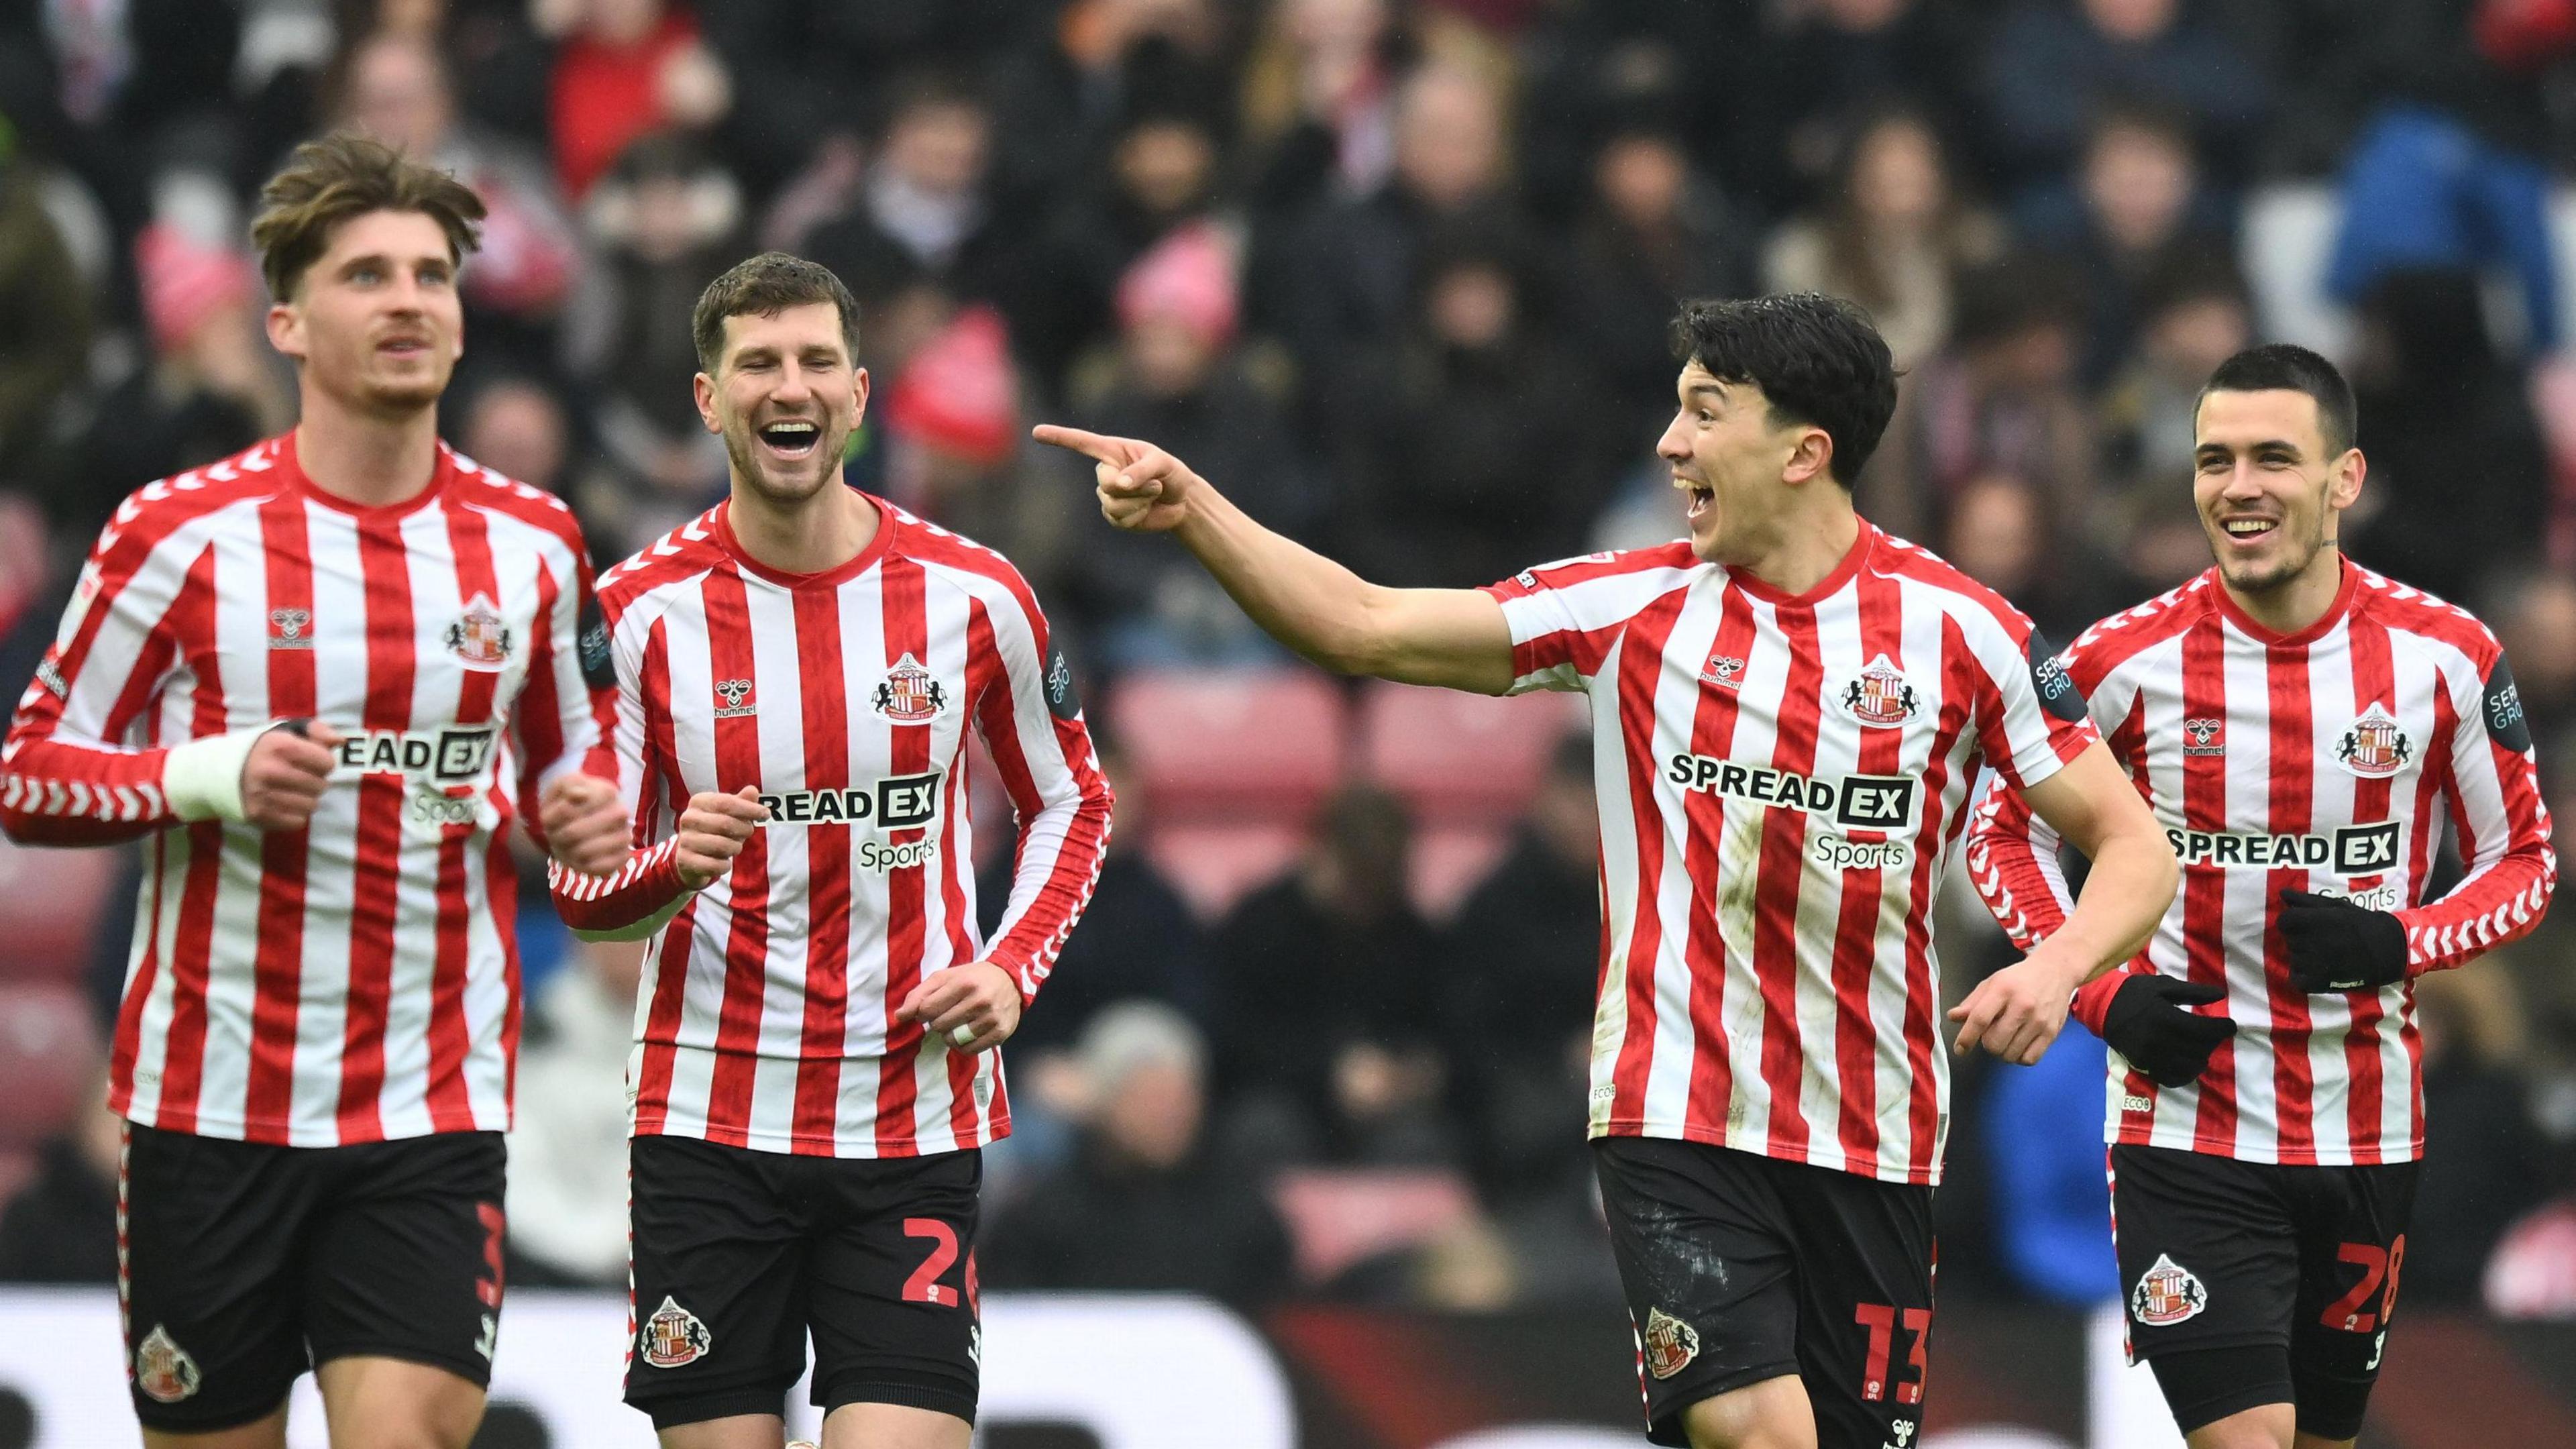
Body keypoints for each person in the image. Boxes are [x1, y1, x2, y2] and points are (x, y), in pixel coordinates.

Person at [1036, 291, 2179, 1449]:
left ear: (1804, 453)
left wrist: (2059, 967)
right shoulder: (1635, 607)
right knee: (1764, 1434)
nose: (1668, 444)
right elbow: (1366, 625)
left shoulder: (1964, 633)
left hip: (1875, 1132)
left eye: (1702, 413)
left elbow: (2135, 847)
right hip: (1676, 1114)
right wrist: (1197, 514)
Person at [0, 133, 629, 1449]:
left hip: (429, 1107)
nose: (409, 300)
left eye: (431, 275)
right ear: (285, 320)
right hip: (208, 1108)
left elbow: (580, 795)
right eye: (366, 275)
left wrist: (579, 832)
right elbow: (30, 776)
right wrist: (211, 775)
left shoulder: (535, 545)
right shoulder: (172, 536)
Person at [548, 251, 1113, 1449]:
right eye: (756, 362)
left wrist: (1012, 967)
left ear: (859, 395)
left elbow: (1075, 803)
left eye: (814, 361)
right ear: (711, 400)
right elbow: (582, 890)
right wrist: (668, 868)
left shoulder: (976, 597)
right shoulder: (634, 615)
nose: (785, 385)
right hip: (708, 1126)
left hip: (910, 1122)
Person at [1966, 344, 2557, 1449]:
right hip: (2184, 1125)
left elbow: (2525, 864)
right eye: (2214, 461)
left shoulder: (2447, 658)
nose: (2239, 486)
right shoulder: (2121, 661)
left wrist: (2398, 940)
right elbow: (1999, 835)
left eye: (2274, 458)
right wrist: (2102, 996)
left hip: (2366, 1127)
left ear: (2346, 478)